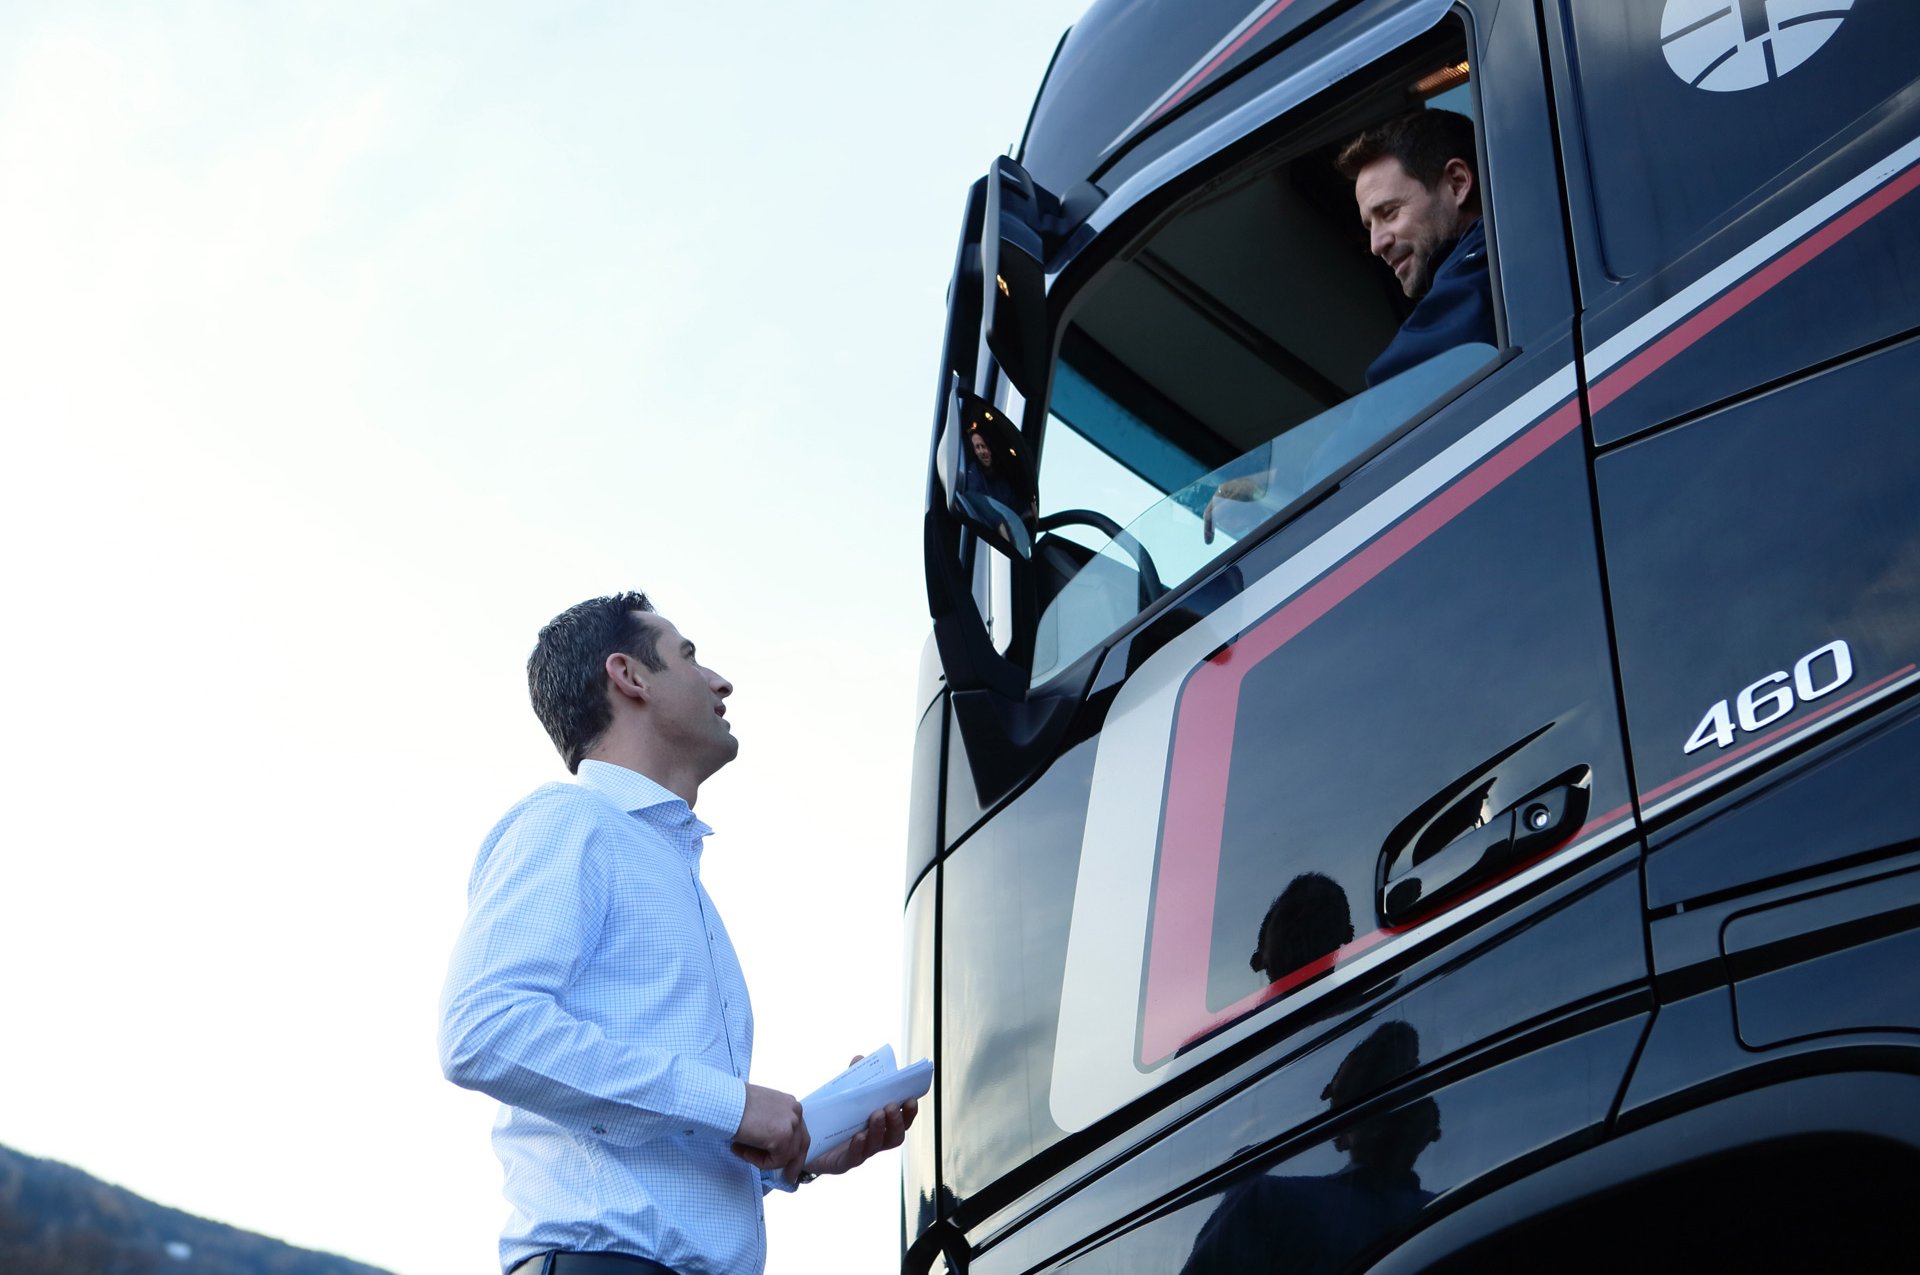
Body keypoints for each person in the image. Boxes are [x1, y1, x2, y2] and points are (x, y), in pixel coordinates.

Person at [439, 591, 915, 1275]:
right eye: (688, 656)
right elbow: (482, 1028)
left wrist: (800, 1148)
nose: (719, 680)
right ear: (629, 676)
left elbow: (660, 1146)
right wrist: (732, 1102)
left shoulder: (667, 865)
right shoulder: (571, 821)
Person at [1336, 108, 1496, 387]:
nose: (1376, 245)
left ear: (1457, 183)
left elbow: (1393, 400)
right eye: (1369, 226)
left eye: (1389, 212)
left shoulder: (1487, 262)